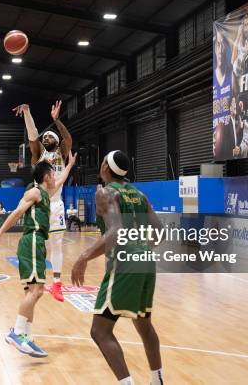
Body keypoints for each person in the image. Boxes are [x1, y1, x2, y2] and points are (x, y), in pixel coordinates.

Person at [71, 150, 164, 385]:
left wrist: (83, 256)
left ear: (105, 167)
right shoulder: (139, 194)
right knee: (144, 324)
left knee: (99, 331)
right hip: (146, 262)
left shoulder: (105, 192)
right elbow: (160, 232)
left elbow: (116, 231)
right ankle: (158, 380)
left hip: (124, 263)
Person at [0, 151, 76, 358]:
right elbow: (17, 213)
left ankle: (26, 335)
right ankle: (17, 333)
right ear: (46, 176)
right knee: (35, 291)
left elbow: (62, 178)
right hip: (33, 240)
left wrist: (70, 165)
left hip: (38, 244)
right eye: (52, 174)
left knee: (35, 292)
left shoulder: (48, 192)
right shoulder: (35, 193)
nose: (55, 176)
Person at [13, 100, 73, 302]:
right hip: (40, 204)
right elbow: (32, 135)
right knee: (39, 245)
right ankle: (37, 280)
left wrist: (57, 121)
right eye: (44, 135)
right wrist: (28, 113)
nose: (46, 136)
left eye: (50, 135)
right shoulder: (38, 154)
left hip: (56, 204)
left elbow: (67, 137)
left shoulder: (62, 153)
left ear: (55, 141)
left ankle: (57, 284)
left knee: (57, 245)